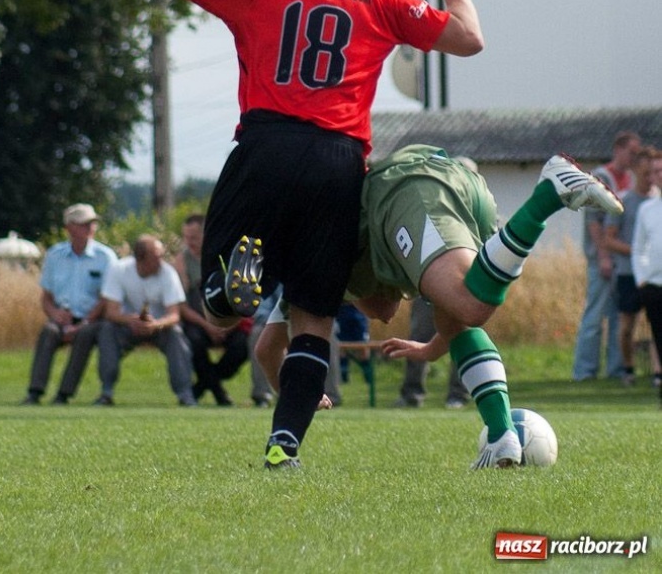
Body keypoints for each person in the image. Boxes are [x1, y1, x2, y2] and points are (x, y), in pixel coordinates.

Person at [24, 0, 483, 469]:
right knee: (314, 318)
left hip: (267, 147)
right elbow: (469, 38)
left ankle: (226, 289)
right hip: (338, 163)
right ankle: (284, 442)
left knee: (220, 301)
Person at [255, 146, 623, 467]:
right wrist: (432, 348)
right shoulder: (403, 265)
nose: (388, 313)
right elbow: (452, 325)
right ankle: (501, 436)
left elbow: (268, 347)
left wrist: (297, 395)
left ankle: (547, 194)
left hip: (408, 188)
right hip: (468, 193)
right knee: (464, 313)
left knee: (469, 301)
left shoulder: (320, 267)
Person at [20, 203, 116, 405]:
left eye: (92, 223)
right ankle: (35, 391)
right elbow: (46, 297)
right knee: (48, 332)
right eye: (84, 224)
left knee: (83, 336)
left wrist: (84, 322)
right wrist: (55, 314)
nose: (90, 228)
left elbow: (107, 298)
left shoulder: (105, 257)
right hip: (62, 316)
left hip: (93, 319)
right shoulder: (55, 255)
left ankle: (64, 394)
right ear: (70, 228)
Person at [95, 235, 196, 406]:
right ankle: (106, 392)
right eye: (157, 256)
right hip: (126, 327)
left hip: (159, 327)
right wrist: (131, 320)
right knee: (107, 330)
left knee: (176, 334)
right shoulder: (119, 270)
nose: (162, 260)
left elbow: (174, 315)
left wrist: (155, 324)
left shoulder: (168, 273)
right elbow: (111, 313)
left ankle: (185, 394)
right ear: (142, 258)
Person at [572, 131, 640, 382]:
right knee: (594, 314)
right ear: (618, 150)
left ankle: (615, 369)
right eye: (631, 152)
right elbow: (594, 221)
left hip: (619, 260)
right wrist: (603, 257)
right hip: (601, 258)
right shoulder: (601, 177)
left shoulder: (629, 179)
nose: (634, 158)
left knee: (616, 316)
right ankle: (584, 371)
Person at [173, 214, 250, 406]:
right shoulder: (182, 261)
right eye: (186, 237)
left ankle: (200, 388)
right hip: (198, 322)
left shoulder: (229, 258)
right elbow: (181, 305)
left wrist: (226, 325)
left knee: (242, 346)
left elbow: (245, 299)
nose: (188, 242)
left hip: (229, 322)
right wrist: (208, 326)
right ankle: (219, 394)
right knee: (194, 342)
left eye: (194, 238)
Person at [603, 147, 662, 386]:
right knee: (627, 325)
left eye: (655, 172)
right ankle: (627, 368)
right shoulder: (626, 200)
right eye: (648, 172)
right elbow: (610, 237)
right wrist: (642, 265)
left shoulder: (652, 202)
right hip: (631, 273)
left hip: (654, 275)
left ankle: (658, 374)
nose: (651, 177)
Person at [392, 296, 469, 409]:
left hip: (463, 288)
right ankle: (411, 395)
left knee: (463, 340)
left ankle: (458, 396)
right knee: (418, 338)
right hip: (427, 289)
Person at [632, 177, 662, 406]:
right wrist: (642, 279)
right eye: (657, 171)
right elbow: (638, 246)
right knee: (659, 338)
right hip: (653, 285)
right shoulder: (647, 209)